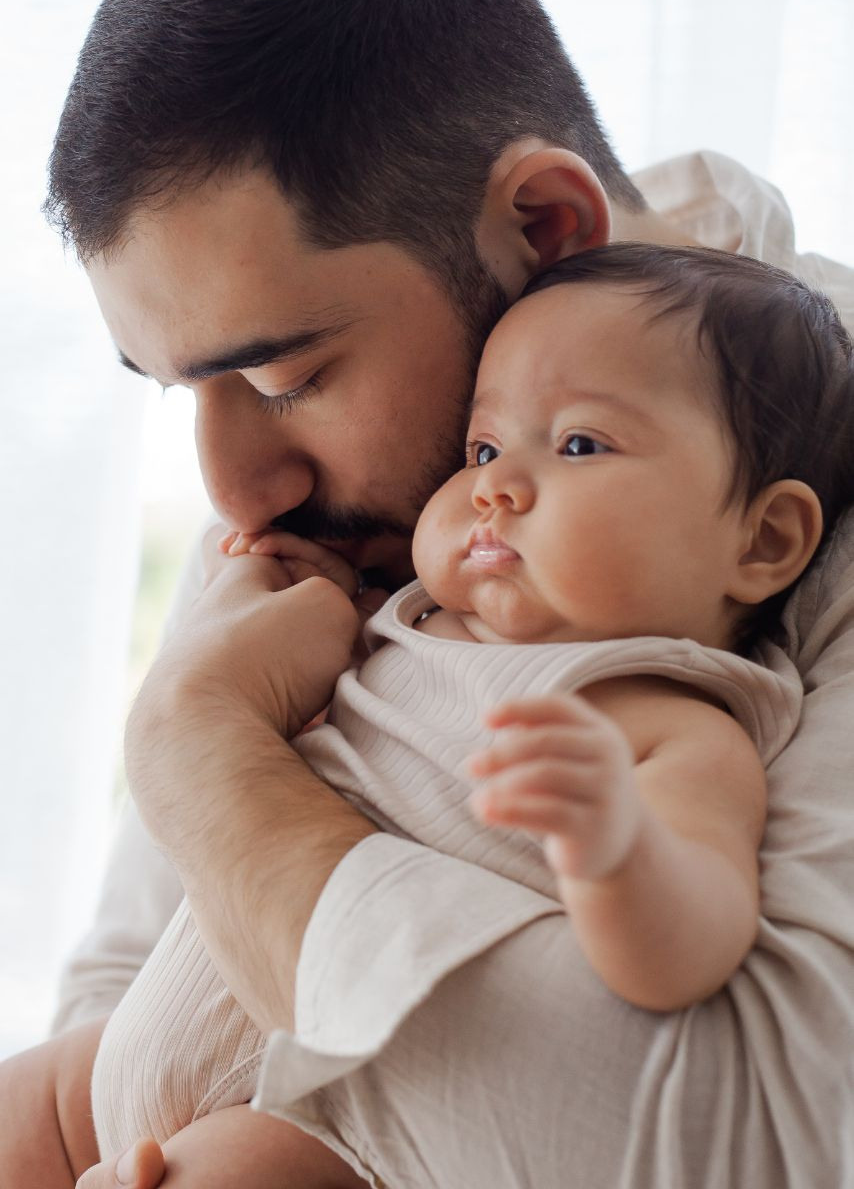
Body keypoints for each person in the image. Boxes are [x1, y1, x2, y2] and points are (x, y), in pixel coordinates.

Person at [1, 0, 852, 1186]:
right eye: (180, 390)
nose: (233, 491)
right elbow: (121, 986)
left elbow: (741, 1142)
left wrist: (199, 750)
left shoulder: (757, 521)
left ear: (545, 227)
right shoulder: (354, 511)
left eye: (288, 377)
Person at [85, 244, 854, 1189]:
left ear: (764, 540)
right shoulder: (402, 615)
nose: (494, 487)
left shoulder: (671, 723)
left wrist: (619, 849)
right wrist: (293, 603)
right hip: (141, 1044)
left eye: (579, 445)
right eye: (483, 449)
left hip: (322, 1123)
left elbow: (692, 951)